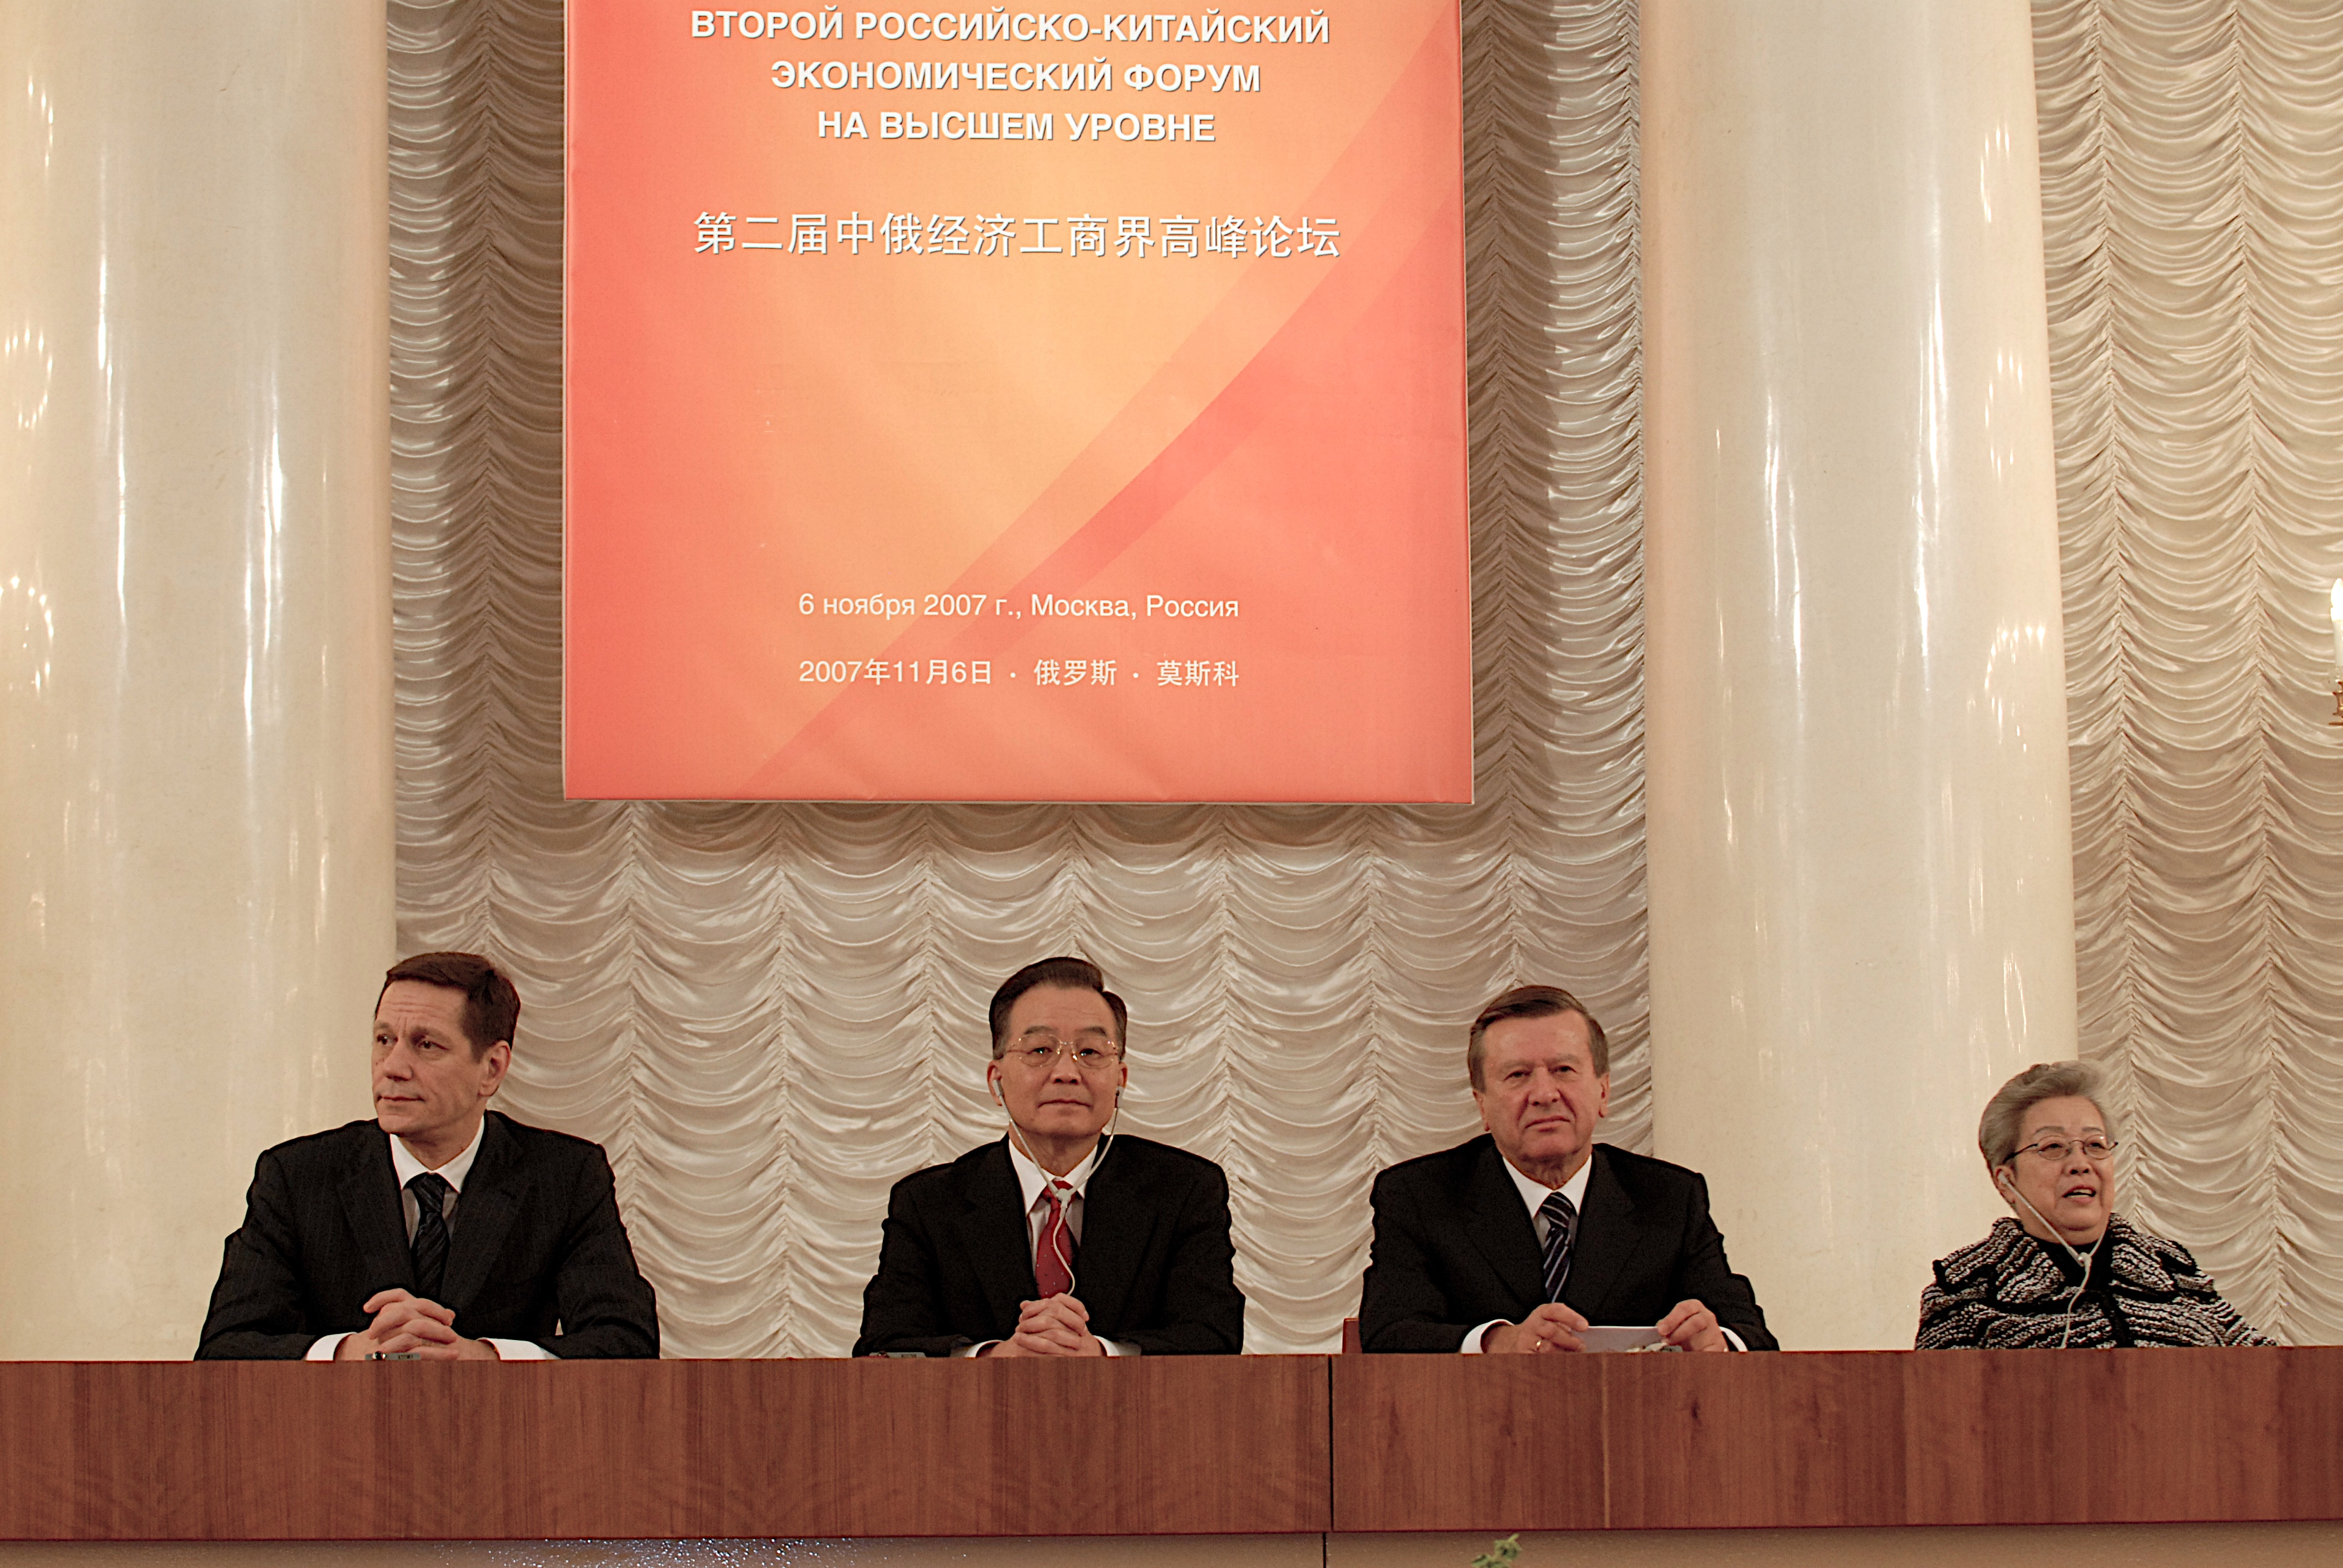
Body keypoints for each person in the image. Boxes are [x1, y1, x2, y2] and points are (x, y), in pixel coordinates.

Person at [196, 952, 660, 1360]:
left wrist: (485, 1358)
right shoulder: (298, 1176)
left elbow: (626, 1342)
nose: (393, 1068)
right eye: (384, 1040)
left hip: (501, 1426)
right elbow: (227, 1347)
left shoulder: (564, 1177)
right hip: (339, 1427)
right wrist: (348, 1352)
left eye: (426, 1045)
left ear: (492, 1068)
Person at [853, 956, 1245, 1356]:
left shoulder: (1184, 1191)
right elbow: (884, 1348)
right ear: (996, 1081)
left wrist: (1104, 1354)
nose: (1066, 1072)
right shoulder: (929, 1204)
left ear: (1120, 1081)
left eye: (1090, 1052)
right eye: (1040, 1049)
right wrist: (992, 1358)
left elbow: (1214, 1337)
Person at [1358, 985, 1775, 1353]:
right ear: (1481, 1104)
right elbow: (1390, 1333)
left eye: (1564, 1070)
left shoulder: (1669, 1197)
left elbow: (1750, 1334)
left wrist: (1718, 1342)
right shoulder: (1418, 1196)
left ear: (1603, 1091)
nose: (1544, 1094)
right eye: (1518, 1075)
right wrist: (1499, 1343)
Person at [1916, 1060, 2273, 1350]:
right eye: (2053, 1147)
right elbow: (1938, 1407)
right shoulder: (1963, 1292)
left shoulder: (2174, 1273)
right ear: (2006, 1180)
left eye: (2095, 1145)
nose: (2080, 1164)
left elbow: (2270, 1377)